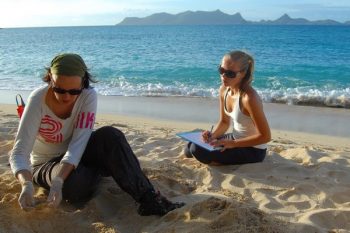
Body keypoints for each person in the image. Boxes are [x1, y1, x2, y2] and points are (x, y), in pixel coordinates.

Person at [9, 53, 184, 215]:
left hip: (78, 153)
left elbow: (79, 143)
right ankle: (107, 168)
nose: (67, 97)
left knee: (111, 135)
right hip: (46, 164)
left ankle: (149, 200)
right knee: (75, 186)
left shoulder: (88, 96)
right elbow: (19, 152)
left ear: (83, 84)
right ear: (50, 80)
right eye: (60, 90)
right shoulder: (37, 99)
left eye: (74, 91)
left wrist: (59, 181)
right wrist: (26, 183)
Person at [185, 50, 271, 165]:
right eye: (221, 70)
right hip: (234, 139)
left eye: (230, 73)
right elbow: (224, 122)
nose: (223, 76)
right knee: (189, 147)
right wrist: (212, 136)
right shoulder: (224, 90)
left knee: (196, 150)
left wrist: (232, 144)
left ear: (243, 73)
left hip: (253, 149)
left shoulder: (249, 98)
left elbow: (265, 137)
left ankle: (220, 160)